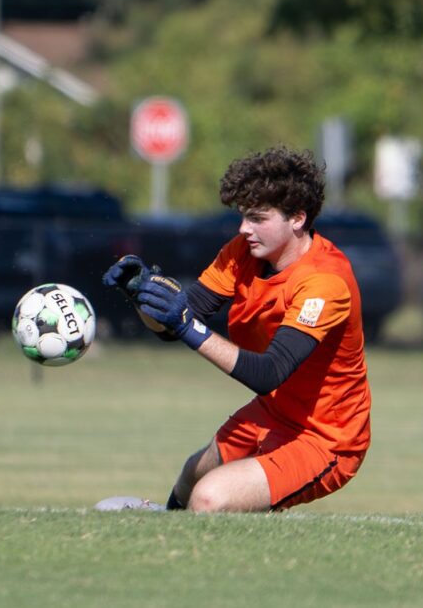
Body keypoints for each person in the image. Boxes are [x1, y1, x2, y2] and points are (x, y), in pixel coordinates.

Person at [102, 145, 371, 512]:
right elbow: (172, 326)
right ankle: (165, 547)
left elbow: (268, 372)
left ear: (297, 218)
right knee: (191, 476)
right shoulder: (242, 253)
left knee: (210, 499)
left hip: (326, 438)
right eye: (243, 216)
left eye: (258, 218)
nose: (245, 228)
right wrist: (141, 295)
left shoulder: (324, 282)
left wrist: (184, 325)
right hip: (273, 412)